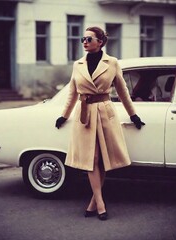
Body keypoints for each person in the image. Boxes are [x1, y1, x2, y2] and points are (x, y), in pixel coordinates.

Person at [55, 26, 145, 221]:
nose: (85, 42)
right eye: (83, 39)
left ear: (100, 42)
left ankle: (93, 203)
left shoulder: (112, 63)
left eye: (89, 38)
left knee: (102, 159)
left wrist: (133, 115)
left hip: (105, 112)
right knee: (91, 159)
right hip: (84, 114)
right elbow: (72, 92)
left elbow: (122, 91)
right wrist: (64, 115)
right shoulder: (78, 64)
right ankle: (100, 203)